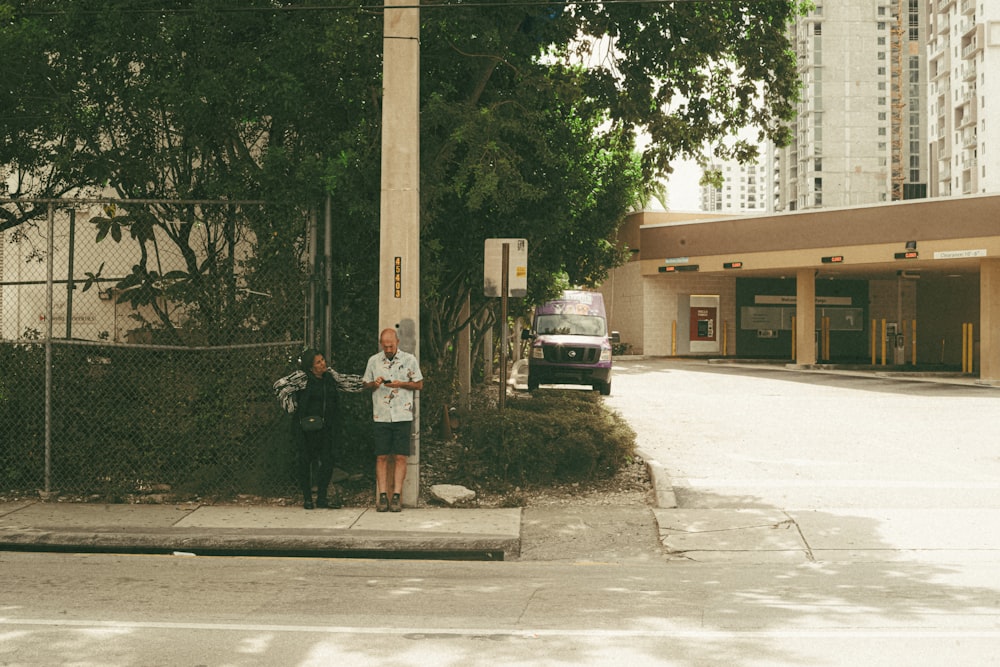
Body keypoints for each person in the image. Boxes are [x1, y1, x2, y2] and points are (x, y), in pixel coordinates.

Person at [362, 328, 424, 512]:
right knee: (381, 456)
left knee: (400, 456)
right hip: (381, 415)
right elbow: (365, 384)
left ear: (397, 342)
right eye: (385, 345)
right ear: (381, 344)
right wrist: (376, 383)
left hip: (402, 414)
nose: (388, 349)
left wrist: (401, 383)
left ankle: (396, 495)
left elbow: (419, 384)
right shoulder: (373, 361)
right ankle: (382, 495)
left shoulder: (409, 360)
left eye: (391, 345)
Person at [294, 349, 341, 510]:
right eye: (318, 362)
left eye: (322, 360)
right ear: (311, 367)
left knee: (327, 461)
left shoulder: (329, 379)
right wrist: (291, 408)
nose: (323, 364)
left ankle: (322, 497)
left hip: (325, 427)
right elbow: (280, 387)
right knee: (305, 461)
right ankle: (307, 498)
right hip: (306, 428)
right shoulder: (303, 380)